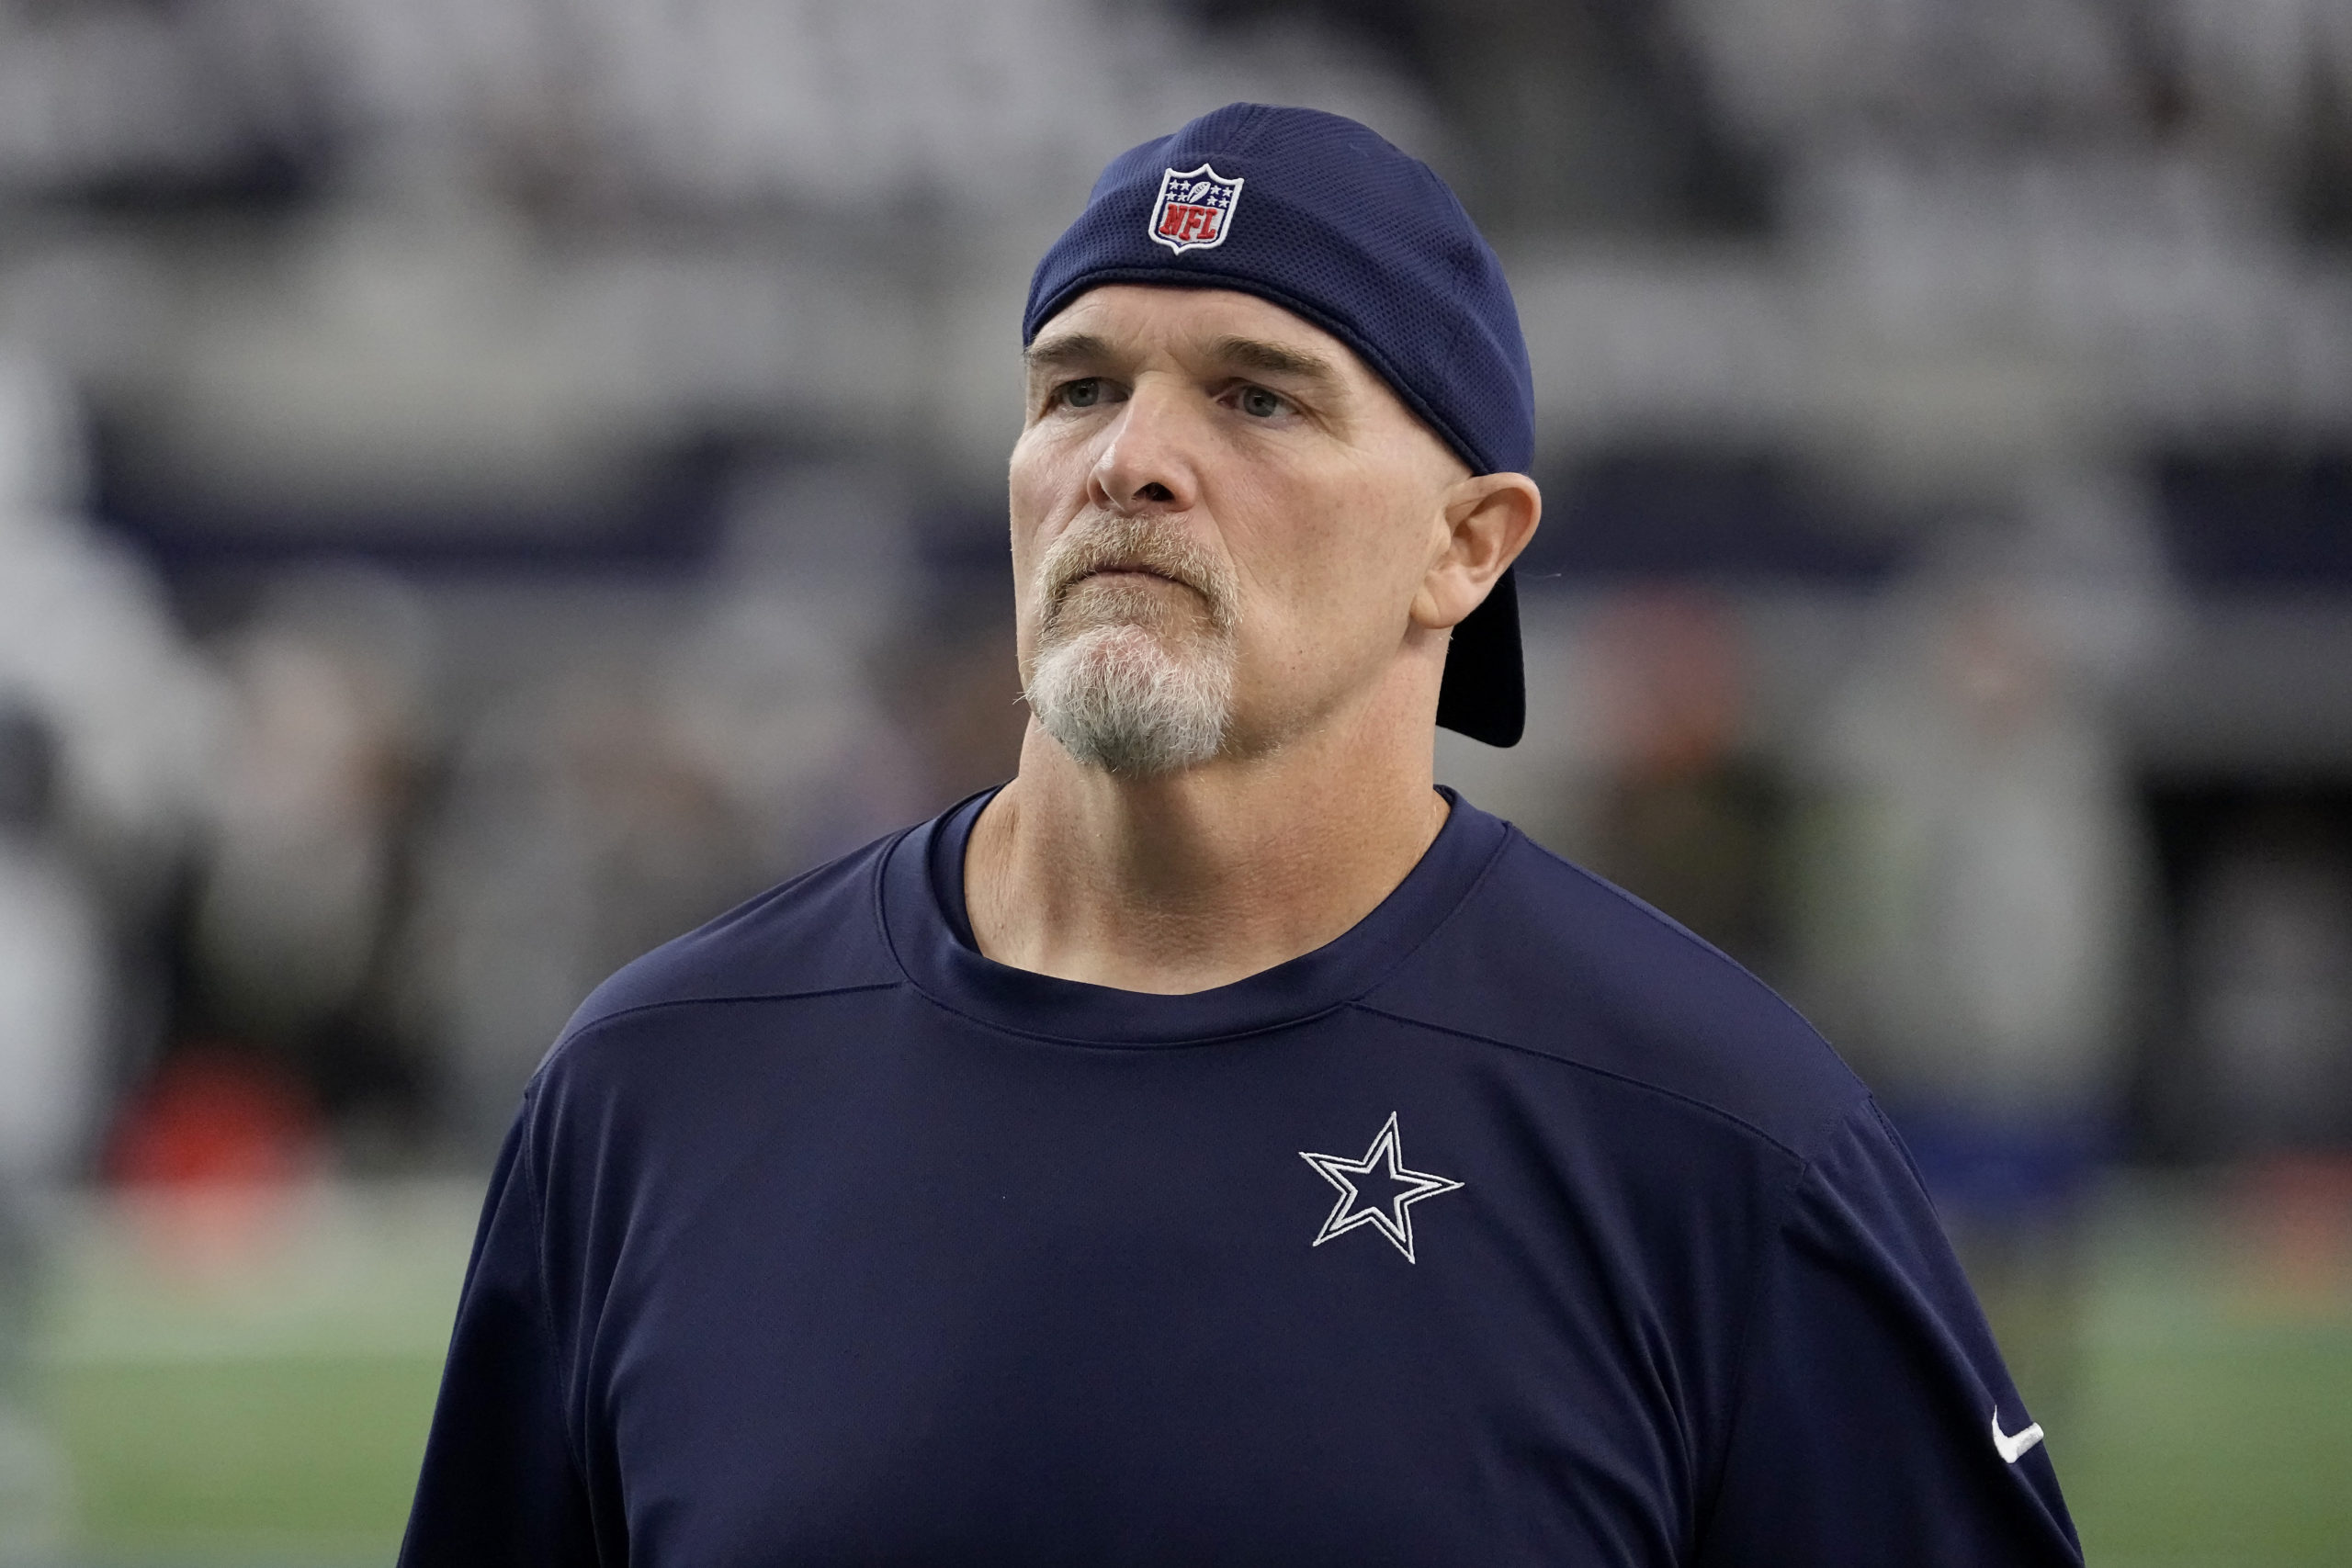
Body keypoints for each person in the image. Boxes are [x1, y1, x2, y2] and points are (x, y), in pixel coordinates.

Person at [401, 104, 2081, 1566]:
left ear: (1467, 549)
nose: (1130, 459)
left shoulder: (1715, 1135)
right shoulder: (659, 1086)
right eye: (1076, 387)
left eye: (1259, 398)